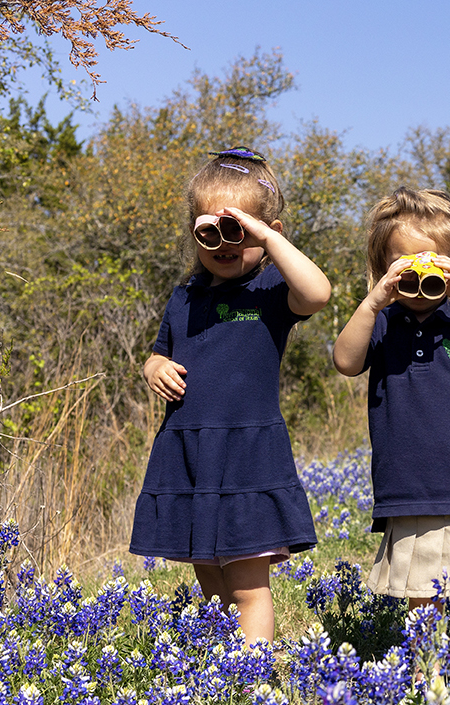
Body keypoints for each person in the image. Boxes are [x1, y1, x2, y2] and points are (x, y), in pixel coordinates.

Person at [130, 147, 332, 642]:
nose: (223, 243)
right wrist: (152, 366)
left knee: (246, 585)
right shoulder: (184, 297)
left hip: (246, 452)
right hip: (189, 447)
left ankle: (251, 674)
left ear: (268, 233)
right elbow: (159, 352)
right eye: (209, 231)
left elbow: (319, 293)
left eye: (236, 230)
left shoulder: (271, 292)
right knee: (212, 580)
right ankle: (226, 672)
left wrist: (267, 239)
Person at [332, 187, 450, 684]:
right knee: (422, 598)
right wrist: (375, 300)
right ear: (384, 269)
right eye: (405, 263)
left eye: (437, 261)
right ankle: (428, 681)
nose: (422, 273)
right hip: (408, 486)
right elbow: (345, 360)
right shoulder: (381, 321)